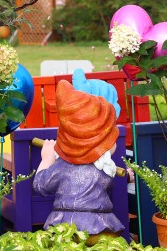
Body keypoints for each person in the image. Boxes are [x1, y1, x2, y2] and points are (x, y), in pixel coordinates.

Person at [33, 79, 125, 243]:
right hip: (102, 227)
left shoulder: (61, 167)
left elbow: (40, 186)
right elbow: (110, 185)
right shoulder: (104, 170)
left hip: (65, 228)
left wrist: (47, 158)